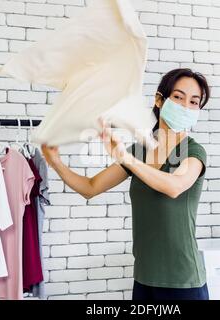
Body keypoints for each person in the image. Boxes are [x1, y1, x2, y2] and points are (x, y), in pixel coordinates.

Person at [41, 68, 210, 300]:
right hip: (143, 277)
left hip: (182, 280)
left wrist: (126, 159)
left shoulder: (193, 151)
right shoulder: (139, 151)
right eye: (178, 97)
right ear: (160, 100)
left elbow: (175, 186)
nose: (186, 107)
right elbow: (91, 187)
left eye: (194, 102)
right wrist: (57, 163)